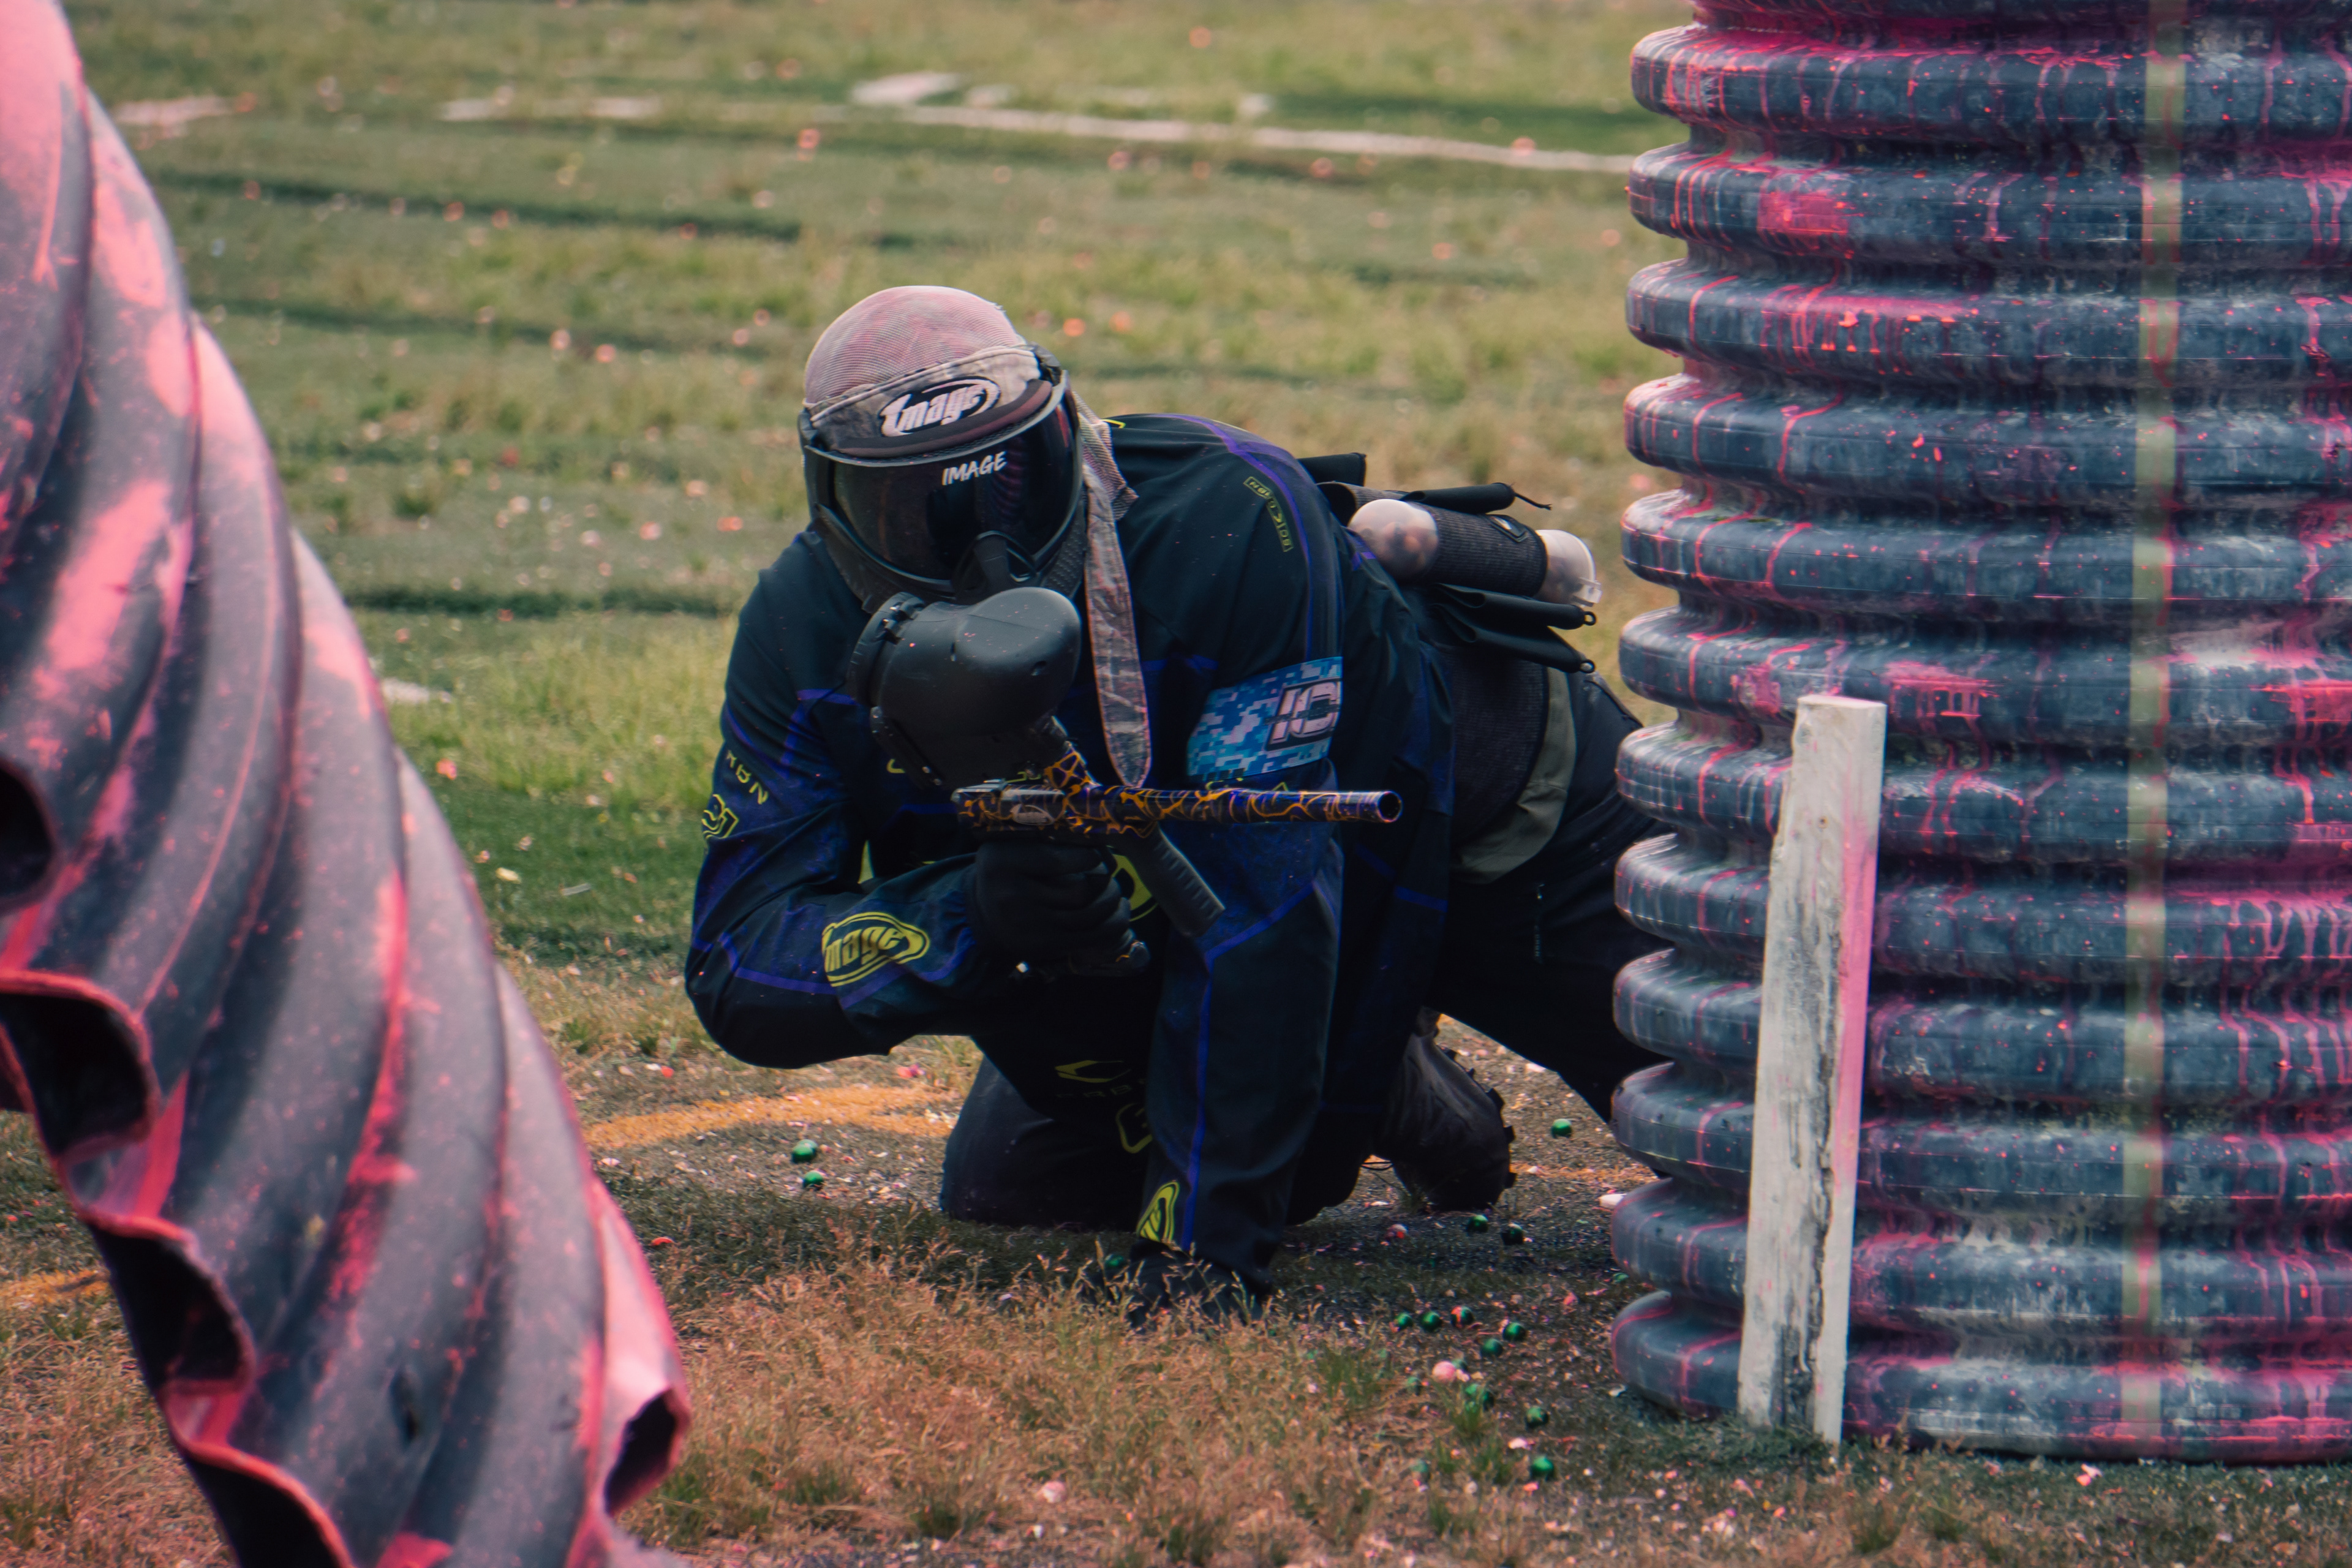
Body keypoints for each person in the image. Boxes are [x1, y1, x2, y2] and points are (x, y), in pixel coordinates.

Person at [687, 285, 1664, 1316]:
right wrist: (973, 914)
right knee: (1021, 1191)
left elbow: (1267, 913)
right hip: (1190, 884)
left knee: (1736, 1122)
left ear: (1071, 434)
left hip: (1499, 829)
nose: (986, 550)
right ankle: (1387, 1080)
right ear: (833, 502)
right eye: (918, 512)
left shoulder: (1234, 519)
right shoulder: (802, 632)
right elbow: (739, 961)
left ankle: (1368, 1044)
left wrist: (1203, 1261)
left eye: (1014, 481)